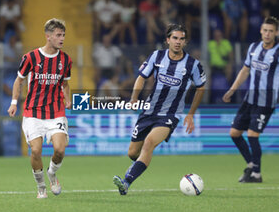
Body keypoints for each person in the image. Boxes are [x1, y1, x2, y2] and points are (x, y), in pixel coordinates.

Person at [112, 24, 206, 195]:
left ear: (185, 42)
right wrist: (134, 98)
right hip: (149, 111)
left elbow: (201, 87)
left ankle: (126, 182)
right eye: (175, 38)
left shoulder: (193, 65)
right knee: (133, 153)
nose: (178, 42)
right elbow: (141, 77)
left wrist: (191, 114)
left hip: (170, 114)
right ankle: (137, 166)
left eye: (181, 39)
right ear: (167, 40)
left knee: (149, 143)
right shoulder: (157, 56)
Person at [7, 18, 72, 199]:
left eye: (63, 35)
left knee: (59, 149)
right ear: (48, 36)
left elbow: (65, 84)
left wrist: (67, 99)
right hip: (33, 112)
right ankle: (41, 186)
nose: (62, 38)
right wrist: (13, 103)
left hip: (56, 112)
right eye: (58, 35)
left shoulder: (65, 60)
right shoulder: (30, 57)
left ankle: (52, 173)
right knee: (36, 150)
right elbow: (19, 80)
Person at [222, 16, 279, 183]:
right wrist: (232, 89)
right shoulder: (254, 48)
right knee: (234, 133)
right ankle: (251, 164)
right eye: (265, 30)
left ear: (276, 33)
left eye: (271, 31)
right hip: (249, 100)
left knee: (253, 135)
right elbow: (245, 70)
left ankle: (256, 174)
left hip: (266, 102)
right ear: (261, 31)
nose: (267, 34)